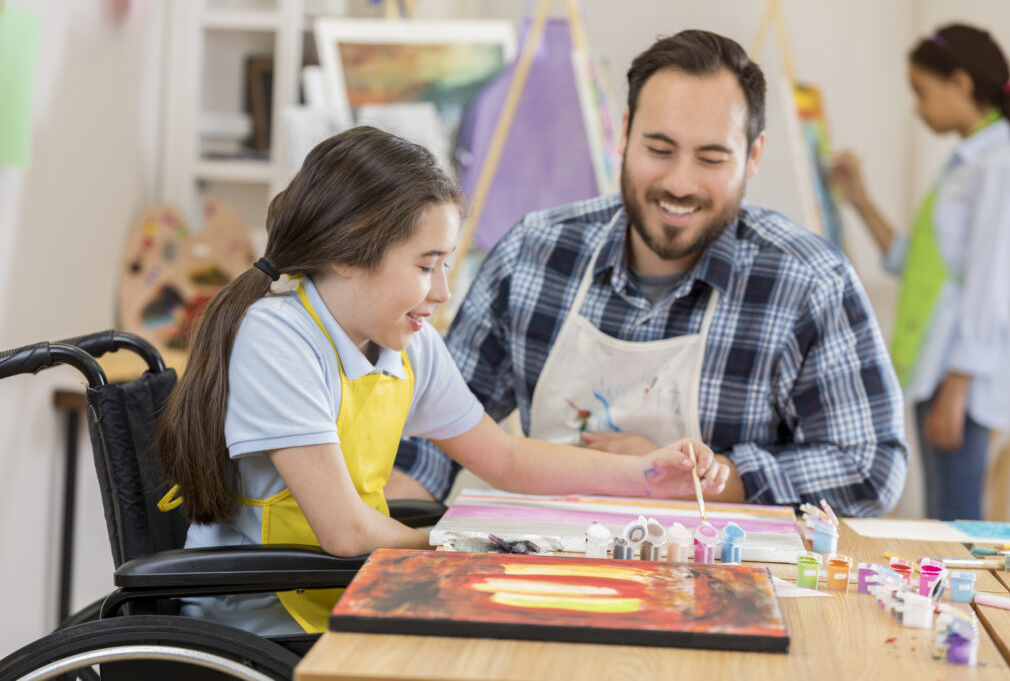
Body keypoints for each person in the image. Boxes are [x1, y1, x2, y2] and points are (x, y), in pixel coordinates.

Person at [157, 126, 725, 636]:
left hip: (347, 594)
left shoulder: (406, 343)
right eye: (426, 266)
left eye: (446, 264)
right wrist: (469, 547)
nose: (442, 292)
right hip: (264, 623)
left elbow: (502, 458)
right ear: (348, 253)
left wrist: (650, 476)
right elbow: (345, 533)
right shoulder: (279, 337)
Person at [392, 29, 908, 517]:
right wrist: (377, 535)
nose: (679, 183)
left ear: (753, 156)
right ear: (624, 134)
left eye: (711, 158)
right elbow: (437, 425)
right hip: (546, 567)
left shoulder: (809, 282)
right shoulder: (535, 252)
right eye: (659, 150)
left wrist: (706, 480)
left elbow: (871, 466)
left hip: (720, 583)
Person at [832, 24, 1010, 521]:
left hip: (958, 378)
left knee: (955, 523)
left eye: (922, 92)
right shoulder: (965, 164)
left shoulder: (999, 167)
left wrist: (957, 387)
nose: (917, 108)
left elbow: (992, 285)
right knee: (944, 517)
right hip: (935, 370)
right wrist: (859, 198)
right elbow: (910, 261)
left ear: (960, 82)